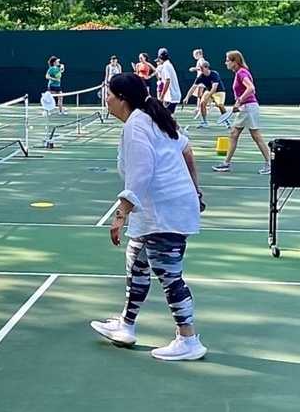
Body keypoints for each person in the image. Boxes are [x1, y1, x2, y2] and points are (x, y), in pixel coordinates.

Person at [90, 72, 207, 362]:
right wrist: (195, 190)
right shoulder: (151, 118)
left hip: (165, 213)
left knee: (170, 276)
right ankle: (126, 325)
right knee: (137, 264)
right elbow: (187, 151)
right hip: (160, 211)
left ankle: (188, 339)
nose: (106, 99)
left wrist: (120, 214)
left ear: (122, 100)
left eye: (109, 95)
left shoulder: (137, 125)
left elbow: (141, 172)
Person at [211, 50, 272, 175]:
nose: (225, 63)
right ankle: (226, 163)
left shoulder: (242, 73)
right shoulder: (240, 73)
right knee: (234, 134)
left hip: (249, 108)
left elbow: (251, 88)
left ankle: (270, 163)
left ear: (235, 62)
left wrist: (239, 101)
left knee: (256, 136)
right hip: (245, 108)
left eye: (228, 60)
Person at [192, 61, 231, 130]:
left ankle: (226, 120)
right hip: (208, 90)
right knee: (202, 103)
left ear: (207, 68)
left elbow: (214, 88)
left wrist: (208, 97)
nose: (200, 69)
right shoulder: (201, 76)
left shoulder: (214, 74)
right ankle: (204, 123)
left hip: (219, 91)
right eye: (199, 68)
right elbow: (193, 87)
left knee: (220, 105)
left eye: (201, 68)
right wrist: (186, 97)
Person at [155, 48, 181, 114]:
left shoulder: (166, 66)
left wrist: (162, 95)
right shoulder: (168, 65)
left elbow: (167, 81)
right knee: (167, 117)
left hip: (171, 97)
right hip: (172, 96)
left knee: (165, 116)